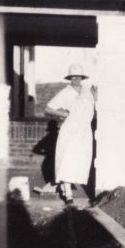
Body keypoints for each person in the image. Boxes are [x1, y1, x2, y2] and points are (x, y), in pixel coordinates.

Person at [45, 64, 96, 204]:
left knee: (81, 161)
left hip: (85, 131)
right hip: (70, 131)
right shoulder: (65, 92)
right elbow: (48, 108)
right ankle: (68, 193)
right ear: (70, 78)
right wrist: (61, 113)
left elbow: (94, 106)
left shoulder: (88, 91)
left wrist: (96, 96)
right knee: (67, 160)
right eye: (73, 77)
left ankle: (65, 185)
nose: (76, 80)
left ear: (82, 78)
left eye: (79, 77)